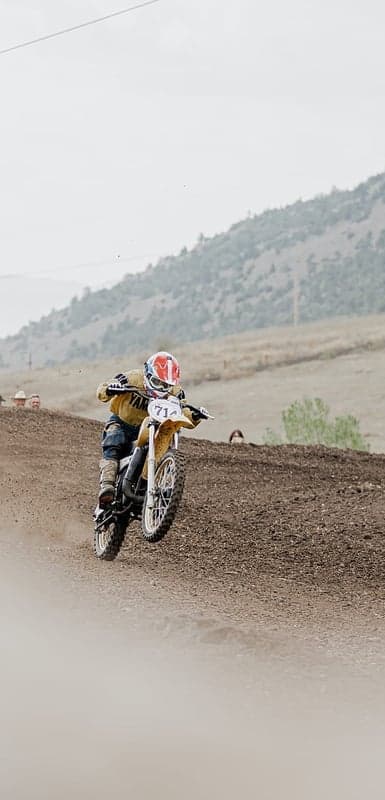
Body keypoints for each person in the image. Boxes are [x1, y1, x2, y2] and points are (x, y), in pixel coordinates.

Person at [96, 351, 209, 506]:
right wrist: (110, 389)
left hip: (152, 428)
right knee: (114, 440)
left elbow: (182, 411)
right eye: (157, 382)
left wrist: (195, 416)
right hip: (123, 423)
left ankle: (161, 484)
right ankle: (107, 485)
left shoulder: (176, 392)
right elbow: (102, 389)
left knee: (163, 443)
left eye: (165, 385)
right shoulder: (131, 378)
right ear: (147, 374)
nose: (161, 388)